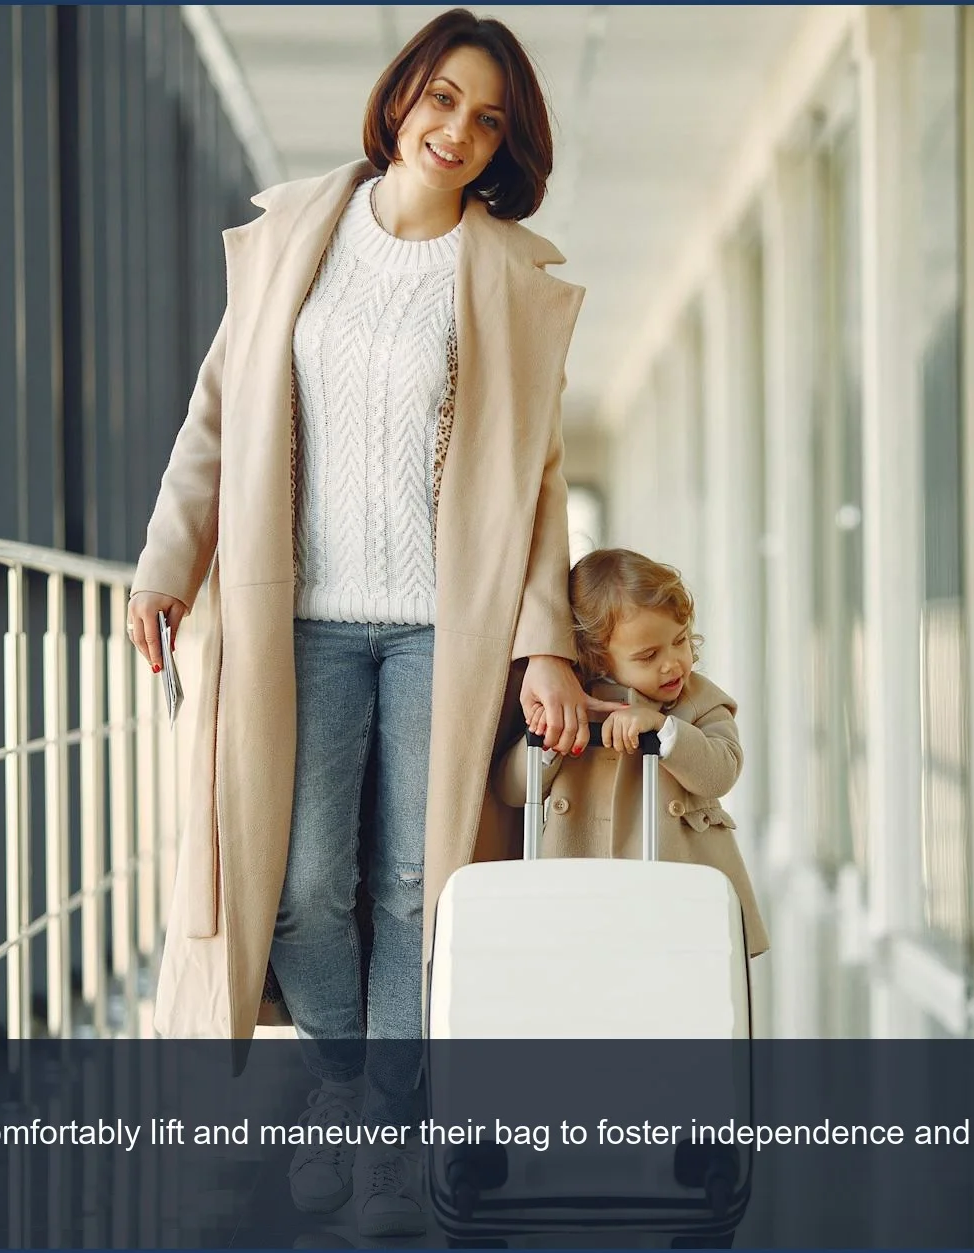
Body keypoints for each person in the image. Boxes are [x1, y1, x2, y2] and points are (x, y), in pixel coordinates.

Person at [124, 8, 622, 1238]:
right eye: (443, 98)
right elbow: (215, 418)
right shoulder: (295, 230)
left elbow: (537, 480)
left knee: (415, 883)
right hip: (289, 620)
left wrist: (542, 640)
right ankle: (342, 1093)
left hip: (437, 633)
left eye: (487, 118)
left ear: (505, 144)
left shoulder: (505, 278)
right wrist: (162, 562)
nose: (458, 129)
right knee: (294, 882)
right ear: (402, 96)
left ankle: (389, 1141)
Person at [494, 549, 771, 958]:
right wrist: (551, 741)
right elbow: (512, 791)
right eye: (647, 656)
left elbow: (721, 773)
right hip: (582, 890)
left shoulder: (701, 702)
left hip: (679, 891)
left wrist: (664, 728)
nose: (673, 664)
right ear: (596, 656)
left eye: (679, 641)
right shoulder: (576, 705)